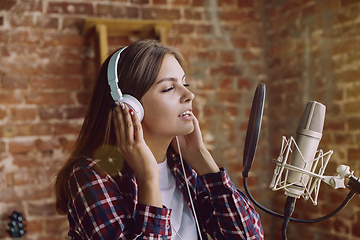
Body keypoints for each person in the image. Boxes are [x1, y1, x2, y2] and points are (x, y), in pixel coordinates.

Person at [54, 39, 264, 240]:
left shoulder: (183, 167)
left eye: (185, 83)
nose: (189, 95)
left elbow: (248, 237)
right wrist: (148, 178)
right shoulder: (91, 176)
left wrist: (201, 157)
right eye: (169, 88)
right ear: (129, 108)